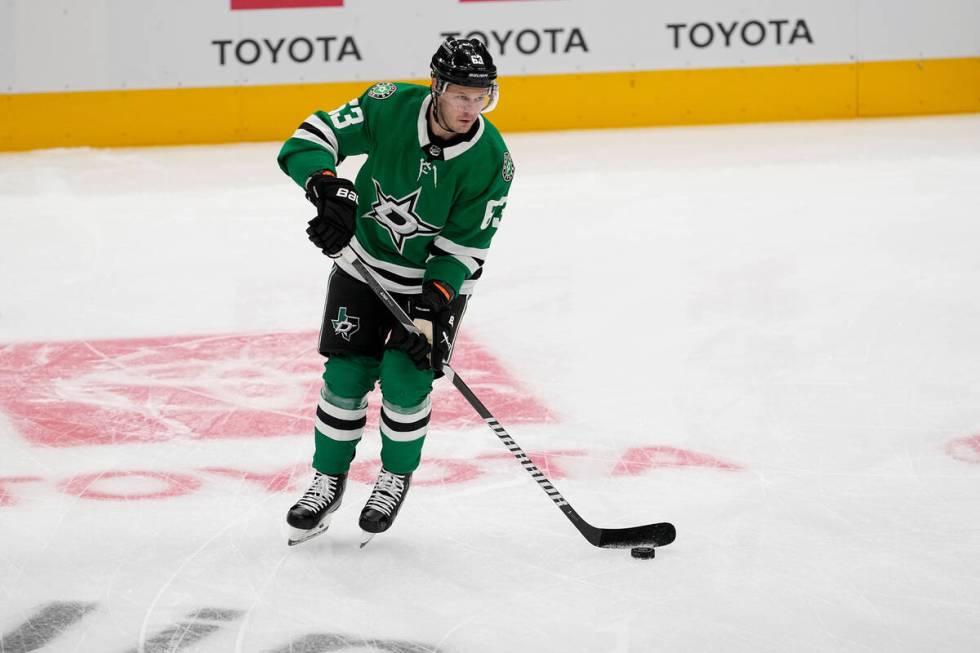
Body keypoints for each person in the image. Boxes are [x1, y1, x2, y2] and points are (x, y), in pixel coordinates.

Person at [277, 37, 514, 546]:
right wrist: (325, 186)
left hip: (430, 287)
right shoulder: (389, 104)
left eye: (482, 97)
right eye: (461, 95)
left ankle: (393, 477)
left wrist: (433, 309)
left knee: (406, 382)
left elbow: (466, 246)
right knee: (345, 376)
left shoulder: (492, 159)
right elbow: (310, 138)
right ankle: (328, 480)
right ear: (437, 87)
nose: (471, 108)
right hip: (362, 267)